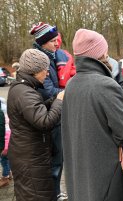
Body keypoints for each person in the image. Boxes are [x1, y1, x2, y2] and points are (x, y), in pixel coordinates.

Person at [61, 28, 123, 201]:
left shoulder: (71, 84)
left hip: (81, 176)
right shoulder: (105, 85)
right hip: (107, 179)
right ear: (100, 53)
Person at [7, 49, 64, 201]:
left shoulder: (23, 89)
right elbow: (44, 122)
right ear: (35, 71)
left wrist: (52, 101)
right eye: (45, 70)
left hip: (28, 156)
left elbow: (34, 112)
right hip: (31, 160)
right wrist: (59, 102)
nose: (47, 74)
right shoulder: (25, 93)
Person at [30, 22, 68, 200]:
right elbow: (48, 91)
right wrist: (69, 92)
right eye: (53, 40)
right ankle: (53, 194)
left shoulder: (51, 56)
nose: (57, 43)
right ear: (43, 42)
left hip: (55, 114)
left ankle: (55, 192)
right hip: (49, 116)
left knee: (57, 159)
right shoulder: (40, 60)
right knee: (54, 160)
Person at [0, 98, 12, 188]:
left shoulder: (2, 111)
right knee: (7, 158)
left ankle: (5, 177)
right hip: (8, 135)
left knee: (4, 159)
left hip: (5, 137)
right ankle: (9, 173)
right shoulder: (5, 106)